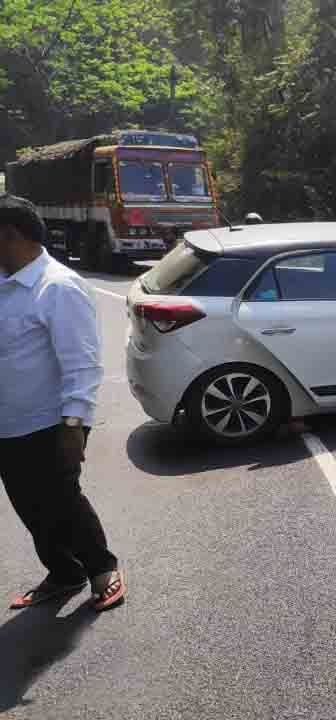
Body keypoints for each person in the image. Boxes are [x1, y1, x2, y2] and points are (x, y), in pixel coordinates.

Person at [0, 194, 125, 612]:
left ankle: (101, 568)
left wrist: (74, 425)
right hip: (8, 422)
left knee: (62, 502)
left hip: (52, 422)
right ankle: (63, 572)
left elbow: (83, 364)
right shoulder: (4, 283)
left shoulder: (58, 287)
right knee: (29, 506)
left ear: (10, 235)